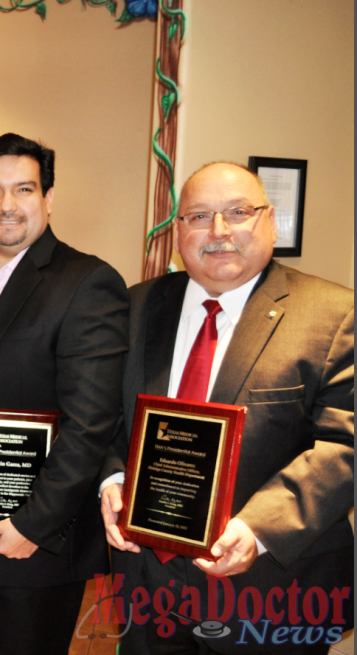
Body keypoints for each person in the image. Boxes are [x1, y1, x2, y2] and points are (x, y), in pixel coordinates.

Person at [100, 162, 354, 654]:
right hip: (147, 583)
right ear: (178, 232)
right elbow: (105, 419)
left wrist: (259, 528)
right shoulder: (133, 308)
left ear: (271, 221)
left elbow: (344, 443)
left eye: (238, 212)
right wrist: (111, 481)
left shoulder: (335, 314)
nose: (218, 231)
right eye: (199, 216)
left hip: (269, 591)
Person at [0, 133, 129, 654]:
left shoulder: (86, 282)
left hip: (37, 534)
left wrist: (33, 524)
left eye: (23, 189)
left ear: (49, 198)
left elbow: (92, 423)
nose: (7, 206)